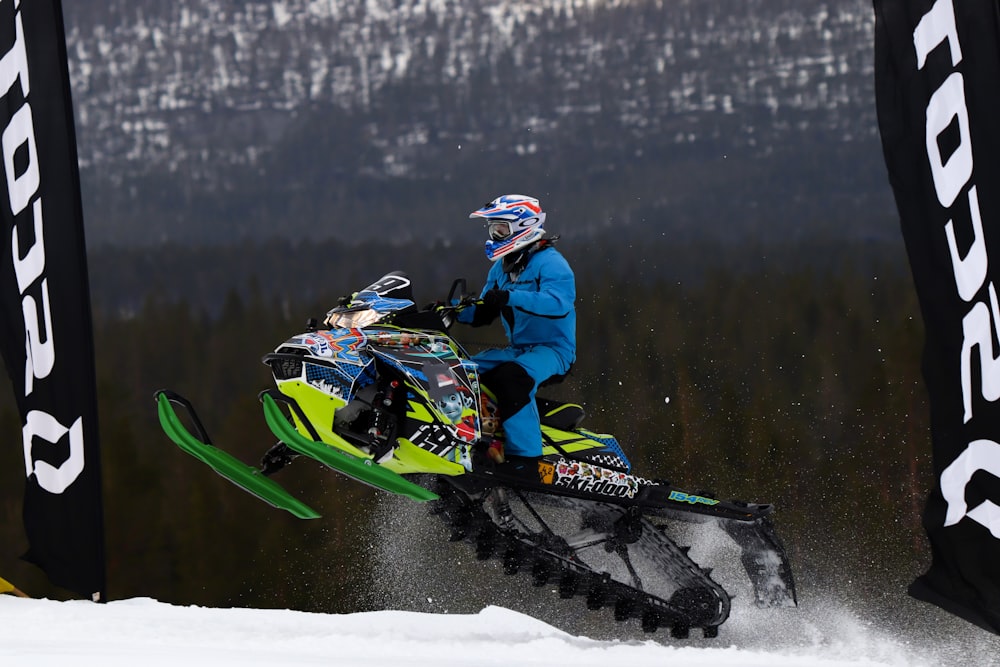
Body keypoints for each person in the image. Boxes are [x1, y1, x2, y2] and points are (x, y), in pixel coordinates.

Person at [456, 194, 576, 463]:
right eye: (493, 229)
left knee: (512, 378)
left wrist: (511, 297)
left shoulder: (552, 263)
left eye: (501, 229)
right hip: (518, 350)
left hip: (553, 351)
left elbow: (559, 303)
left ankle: (528, 460)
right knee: (458, 371)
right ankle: (473, 443)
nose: (495, 235)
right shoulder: (502, 267)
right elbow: (484, 309)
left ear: (525, 226)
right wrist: (451, 311)